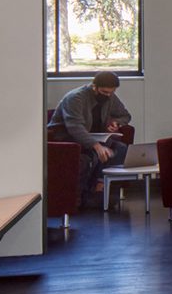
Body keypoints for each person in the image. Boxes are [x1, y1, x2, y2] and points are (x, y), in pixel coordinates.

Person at [48, 71, 132, 207]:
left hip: (94, 136)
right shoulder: (75, 98)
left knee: (121, 148)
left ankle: (100, 186)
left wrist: (115, 122)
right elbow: (75, 127)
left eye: (112, 92)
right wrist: (96, 146)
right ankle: (82, 197)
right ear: (94, 87)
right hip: (67, 138)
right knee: (92, 155)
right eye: (105, 92)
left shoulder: (110, 97)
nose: (108, 95)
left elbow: (125, 115)